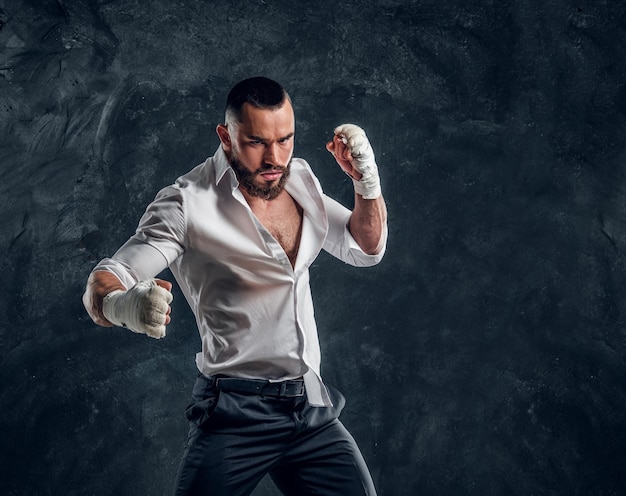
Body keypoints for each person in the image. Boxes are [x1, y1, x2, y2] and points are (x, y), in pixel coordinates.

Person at [82, 76, 388, 496]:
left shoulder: (300, 182)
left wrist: (365, 183)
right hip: (235, 411)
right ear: (226, 137)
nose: (274, 157)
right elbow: (103, 283)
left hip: (310, 409)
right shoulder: (187, 203)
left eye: (285, 139)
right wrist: (123, 306)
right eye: (258, 142)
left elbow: (364, 247)